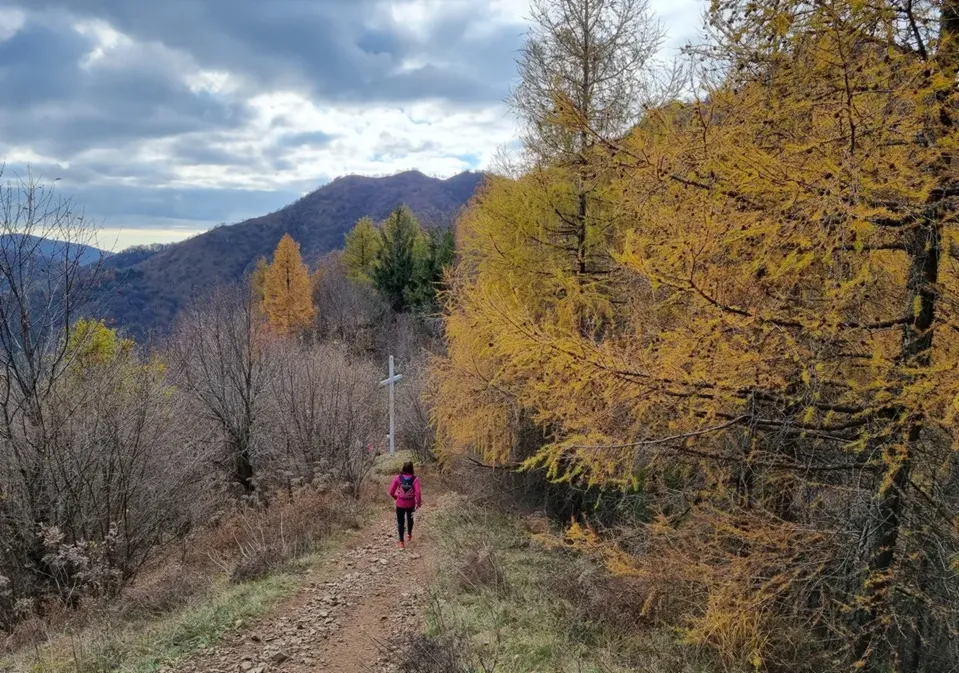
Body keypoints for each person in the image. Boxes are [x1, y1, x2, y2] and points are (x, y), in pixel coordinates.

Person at [389, 461, 421, 549]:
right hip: (411, 503)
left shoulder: (397, 478)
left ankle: (401, 542)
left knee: (400, 522)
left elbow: (391, 491)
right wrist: (418, 503)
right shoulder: (415, 479)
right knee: (410, 519)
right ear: (412, 469)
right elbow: (418, 493)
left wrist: (396, 497)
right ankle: (409, 535)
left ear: (403, 468)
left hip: (400, 504)